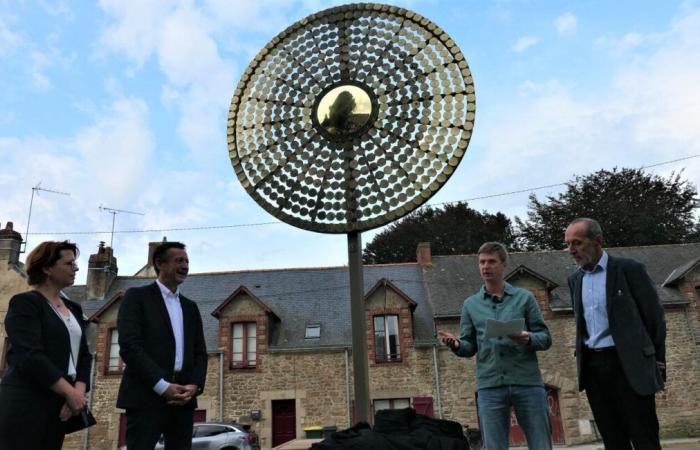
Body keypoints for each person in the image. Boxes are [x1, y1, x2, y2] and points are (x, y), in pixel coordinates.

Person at [438, 242, 552, 450]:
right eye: (482, 262)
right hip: (490, 386)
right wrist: (455, 344)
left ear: (503, 265)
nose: (485, 266)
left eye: (491, 261)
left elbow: (545, 338)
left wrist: (528, 338)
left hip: (527, 382)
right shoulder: (470, 305)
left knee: (541, 444)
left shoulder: (525, 298)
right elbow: (469, 346)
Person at [565, 218, 666, 450]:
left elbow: (654, 318)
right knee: (612, 439)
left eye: (577, 243)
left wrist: (657, 358)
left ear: (598, 241)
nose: (571, 250)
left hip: (628, 364)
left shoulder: (629, 270)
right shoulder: (575, 280)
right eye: (568, 244)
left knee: (644, 436)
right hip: (593, 367)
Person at [0, 241, 91, 450]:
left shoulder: (74, 308)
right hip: (26, 400)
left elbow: (84, 356)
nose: (76, 268)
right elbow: (30, 355)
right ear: (47, 268)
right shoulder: (25, 303)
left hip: (60, 404)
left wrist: (78, 390)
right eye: (69, 263)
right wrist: (69, 392)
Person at [117, 241, 207, 450]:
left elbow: (200, 353)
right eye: (179, 261)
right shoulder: (137, 298)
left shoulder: (190, 307)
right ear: (159, 263)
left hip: (183, 400)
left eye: (186, 261)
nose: (185, 266)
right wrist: (162, 386)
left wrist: (195, 386)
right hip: (146, 396)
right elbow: (129, 346)